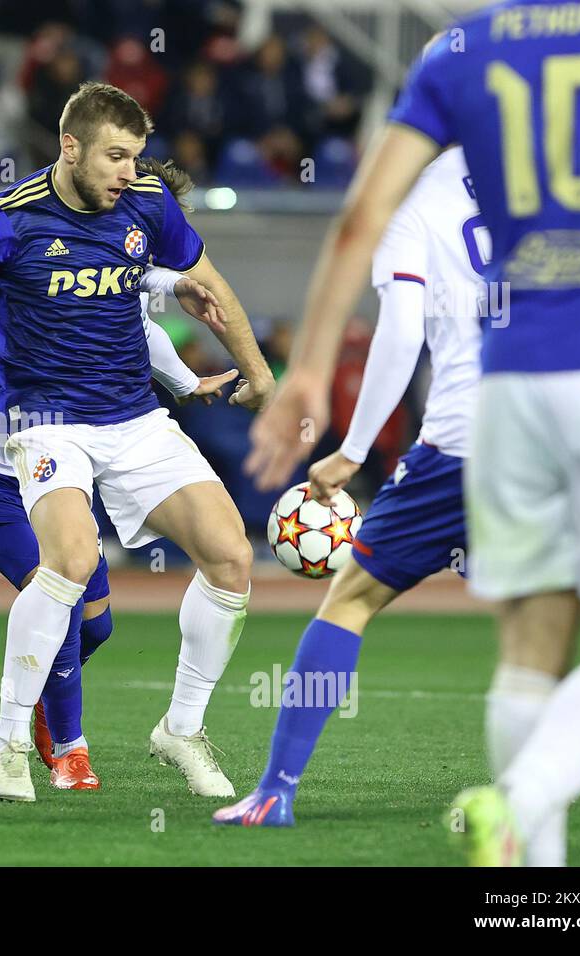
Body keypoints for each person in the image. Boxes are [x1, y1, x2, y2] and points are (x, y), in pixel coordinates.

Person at [244, 6, 580, 866]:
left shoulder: (460, 51)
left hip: (499, 403)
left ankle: (525, 884)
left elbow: (358, 226)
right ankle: (521, 801)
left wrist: (314, 377)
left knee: (518, 637)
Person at [0, 82, 274, 803]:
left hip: (133, 420)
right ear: (69, 147)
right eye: (113, 156)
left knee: (231, 556)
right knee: (72, 562)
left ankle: (181, 728)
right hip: (45, 421)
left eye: (135, 157)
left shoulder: (146, 202)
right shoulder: (2, 223)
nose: (126, 172)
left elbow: (209, 288)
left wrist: (258, 375)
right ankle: (12, 742)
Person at [214, 145, 484, 829]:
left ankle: (275, 791)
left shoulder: (414, 198)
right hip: (569, 435)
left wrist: (352, 451)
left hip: (464, 437)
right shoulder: (555, 180)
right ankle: (538, 804)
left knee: (351, 599)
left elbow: (400, 329)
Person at [0, 254, 236, 790]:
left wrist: (184, 382)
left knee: (97, 624)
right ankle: (69, 750)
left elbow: (141, 317)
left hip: (58, 463)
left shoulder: (106, 286)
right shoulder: (24, 267)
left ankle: (45, 694)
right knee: (60, 587)